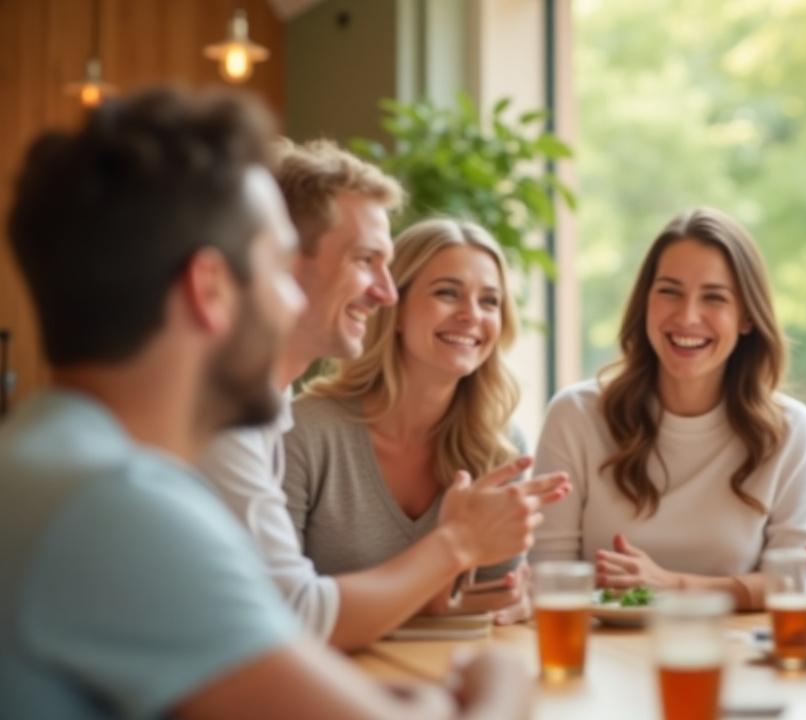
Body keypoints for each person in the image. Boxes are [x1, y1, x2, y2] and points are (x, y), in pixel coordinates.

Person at [1, 86, 531, 719]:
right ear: (210, 288)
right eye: (279, 263)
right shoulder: (121, 503)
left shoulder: (51, 459)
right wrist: (504, 684)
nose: (290, 300)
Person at [198, 141, 568, 650]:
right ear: (280, 263)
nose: (384, 292)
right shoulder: (251, 424)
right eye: (366, 260)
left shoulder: (269, 414)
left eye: (490, 301)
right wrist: (453, 546)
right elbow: (290, 621)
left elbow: (488, 600)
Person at [530, 207, 806, 610]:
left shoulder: (790, 431)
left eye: (714, 298)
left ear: (746, 317)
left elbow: (798, 581)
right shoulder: (576, 416)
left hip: (736, 661)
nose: (687, 317)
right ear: (645, 303)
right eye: (669, 291)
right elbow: (548, 576)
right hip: (600, 657)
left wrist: (674, 586)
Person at [284, 218, 559, 624]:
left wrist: (510, 601)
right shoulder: (305, 433)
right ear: (393, 308)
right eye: (448, 293)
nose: (471, 315)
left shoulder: (499, 445)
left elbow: (498, 601)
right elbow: (276, 608)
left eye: (489, 301)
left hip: (447, 672)